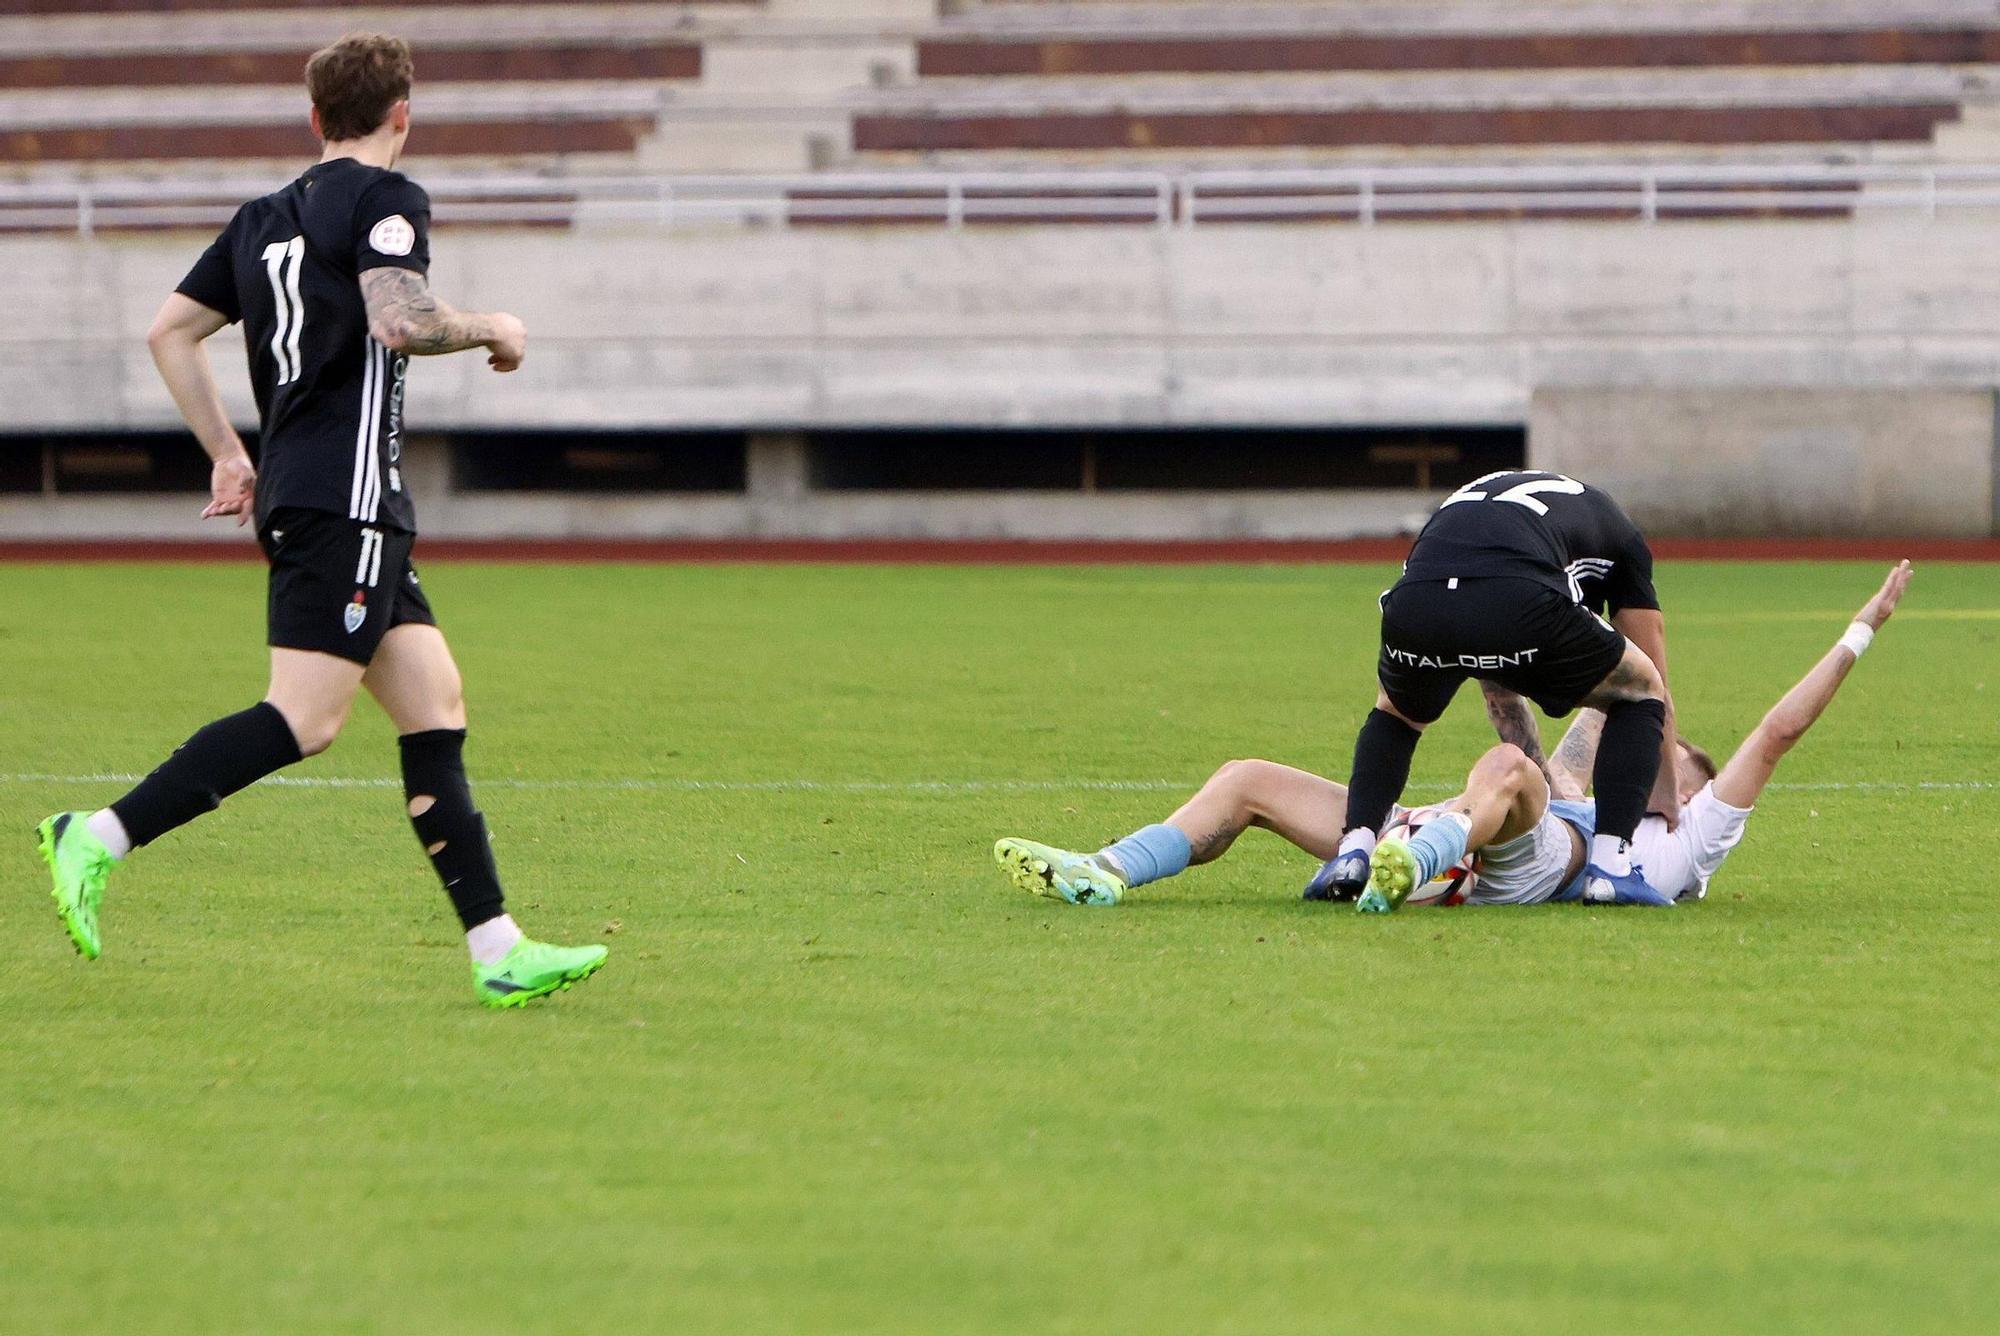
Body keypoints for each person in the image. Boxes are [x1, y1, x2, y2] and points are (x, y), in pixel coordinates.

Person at [34, 33, 606, 1008]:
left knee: (435, 703)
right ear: (402, 114)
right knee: (304, 718)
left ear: (313, 117)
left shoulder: (264, 216)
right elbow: (402, 318)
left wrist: (226, 448)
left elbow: (168, 329)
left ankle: (497, 948)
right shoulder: (387, 198)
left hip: (337, 496)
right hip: (343, 501)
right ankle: (98, 834)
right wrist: (495, 328)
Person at [991, 562, 1911, 912]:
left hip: (1520, 855)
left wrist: (1860, 631)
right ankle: (1107, 870)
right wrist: (1495, 619)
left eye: (1680, 757)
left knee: (1512, 769)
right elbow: (1584, 699)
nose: (1666, 750)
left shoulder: (1690, 839)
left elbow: (1780, 732)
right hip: (1463, 824)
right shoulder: (1598, 780)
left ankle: (1421, 863)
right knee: (1247, 777)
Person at [1313, 469, 1679, 908]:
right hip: (1518, 600)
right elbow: (1650, 660)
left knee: (1396, 714)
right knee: (1639, 691)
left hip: (1415, 603)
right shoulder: (1622, 539)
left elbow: (1500, 693)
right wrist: (1665, 792)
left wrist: (1546, 798)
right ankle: (1612, 869)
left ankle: (1353, 850)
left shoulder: (1491, 503)